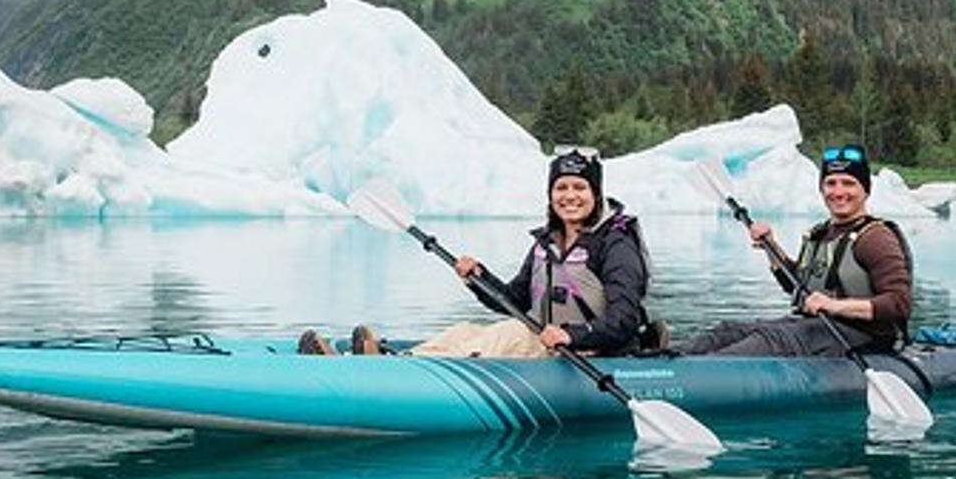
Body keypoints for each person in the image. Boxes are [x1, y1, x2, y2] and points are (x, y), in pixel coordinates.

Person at [299, 148, 653, 358]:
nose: (569, 196)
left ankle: (394, 371)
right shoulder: (548, 242)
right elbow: (513, 300)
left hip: (592, 352)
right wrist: (478, 278)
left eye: (580, 187)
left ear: (596, 193)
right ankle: (392, 362)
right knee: (464, 331)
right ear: (550, 195)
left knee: (507, 336)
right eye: (561, 187)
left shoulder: (616, 243)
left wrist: (572, 335)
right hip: (547, 342)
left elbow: (624, 320)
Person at [682, 142, 912, 357]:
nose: (838, 192)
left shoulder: (876, 238)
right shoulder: (820, 234)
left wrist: (833, 306)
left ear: (865, 191)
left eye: (849, 183)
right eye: (831, 183)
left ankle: (696, 377)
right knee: (728, 330)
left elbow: (899, 304)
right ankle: (665, 361)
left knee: (772, 338)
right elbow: (798, 287)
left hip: (864, 337)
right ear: (822, 189)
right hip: (817, 326)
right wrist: (771, 249)